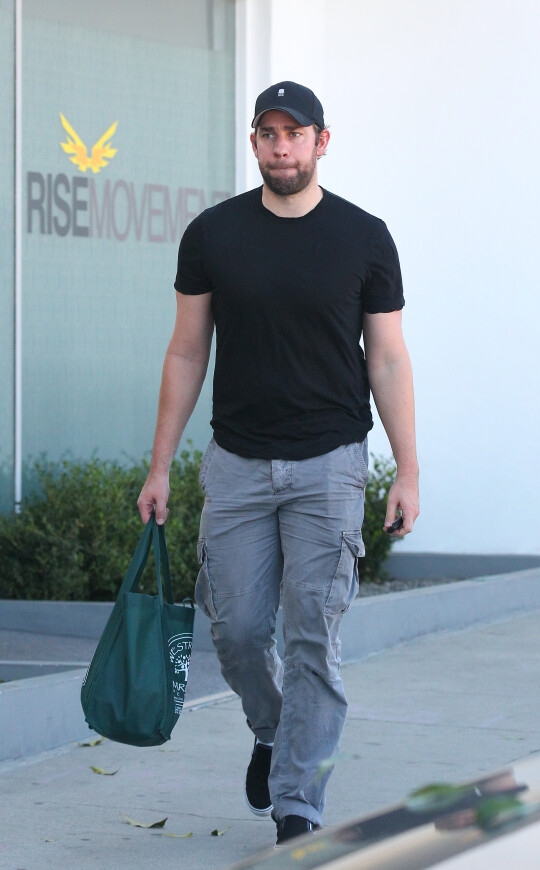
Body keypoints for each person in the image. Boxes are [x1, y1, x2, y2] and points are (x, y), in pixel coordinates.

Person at [137, 80, 419, 846]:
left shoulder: (365, 238)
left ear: (322, 142)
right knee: (234, 627)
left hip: (330, 462)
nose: (282, 146)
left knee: (310, 636)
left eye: (296, 133)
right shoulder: (213, 234)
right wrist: (160, 465)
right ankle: (272, 731)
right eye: (269, 133)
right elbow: (187, 349)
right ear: (254, 142)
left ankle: (299, 804)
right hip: (236, 461)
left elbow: (387, 358)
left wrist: (409, 469)